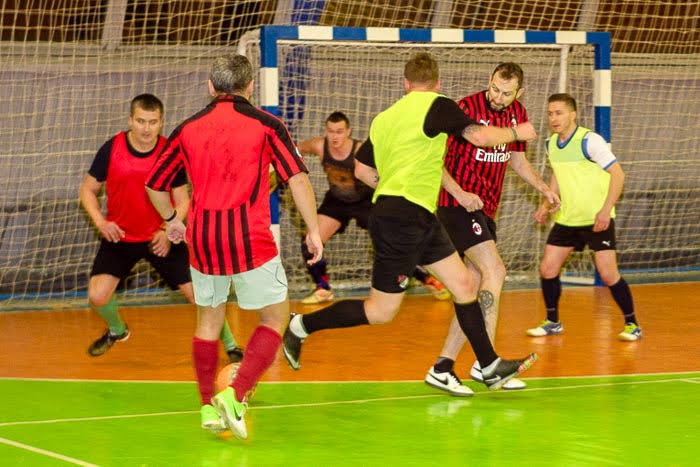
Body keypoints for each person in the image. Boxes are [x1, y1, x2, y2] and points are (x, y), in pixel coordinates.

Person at [281, 53, 538, 396]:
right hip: (403, 219)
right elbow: (477, 137)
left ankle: (483, 366)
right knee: (380, 311)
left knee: (464, 285)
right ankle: (301, 325)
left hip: (417, 215)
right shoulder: (439, 104)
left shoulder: (385, 118)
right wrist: (517, 131)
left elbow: (362, 171)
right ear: (437, 83)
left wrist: (391, 188)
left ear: (405, 83)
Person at [145, 54, 322, 440]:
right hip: (250, 238)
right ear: (250, 87)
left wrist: (174, 222)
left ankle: (208, 406)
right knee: (275, 319)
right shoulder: (267, 125)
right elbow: (297, 180)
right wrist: (313, 229)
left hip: (204, 239)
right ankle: (236, 396)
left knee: (208, 324)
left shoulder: (186, 128)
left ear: (211, 87)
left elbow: (154, 184)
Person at [424, 63, 561, 393]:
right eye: (494, 89)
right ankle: (488, 364)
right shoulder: (465, 108)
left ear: (519, 93)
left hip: (485, 210)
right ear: (488, 82)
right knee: (495, 271)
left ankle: (443, 366)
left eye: (506, 93)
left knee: (469, 288)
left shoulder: (518, 114)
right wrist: (458, 191)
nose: (498, 98)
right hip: (456, 204)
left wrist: (543, 188)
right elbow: (432, 160)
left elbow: (516, 160)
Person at [79, 94, 243, 362]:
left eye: (152, 122)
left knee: (200, 296)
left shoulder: (171, 153)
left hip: (162, 237)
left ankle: (231, 345)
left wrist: (168, 230)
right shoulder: (112, 148)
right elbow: (87, 189)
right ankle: (117, 331)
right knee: (97, 296)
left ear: (161, 123)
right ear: (130, 120)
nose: (146, 128)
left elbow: (183, 200)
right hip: (121, 237)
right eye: (141, 121)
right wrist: (101, 222)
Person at [298, 111, 450, 304]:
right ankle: (323, 288)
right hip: (336, 201)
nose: (335, 136)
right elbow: (296, 150)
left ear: (348, 131)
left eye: (339, 131)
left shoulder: (359, 149)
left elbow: (384, 168)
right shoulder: (319, 146)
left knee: (393, 241)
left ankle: (427, 279)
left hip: (365, 201)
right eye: (331, 131)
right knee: (310, 241)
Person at [526, 93, 642, 341]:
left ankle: (632, 324)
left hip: (596, 219)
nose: (553, 118)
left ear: (572, 114)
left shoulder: (590, 141)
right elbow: (557, 175)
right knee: (548, 269)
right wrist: (546, 204)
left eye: (559, 113)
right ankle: (552, 322)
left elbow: (618, 175)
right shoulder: (550, 144)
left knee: (609, 274)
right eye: (550, 113)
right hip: (568, 219)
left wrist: (605, 210)